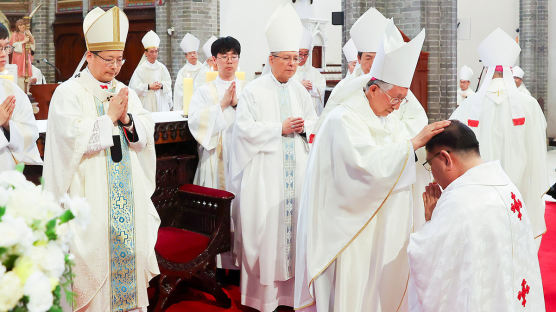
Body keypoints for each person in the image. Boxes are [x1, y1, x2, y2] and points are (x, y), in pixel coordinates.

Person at [294, 20, 443, 312]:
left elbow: (397, 151)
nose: (398, 106)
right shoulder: (344, 120)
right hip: (354, 227)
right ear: (374, 88)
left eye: (403, 98)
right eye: (396, 98)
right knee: (359, 290)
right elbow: (364, 167)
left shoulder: (387, 115)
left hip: (388, 222)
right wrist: (411, 145)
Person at [43, 7, 160, 311]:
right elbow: (68, 140)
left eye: (119, 59)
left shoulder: (125, 91)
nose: (116, 67)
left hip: (127, 199)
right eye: (109, 59)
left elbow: (145, 130)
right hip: (88, 196)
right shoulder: (69, 93)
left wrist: (129, 121)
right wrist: (107, 119)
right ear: (89, 55)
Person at [228, 3, 317, 311]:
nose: (293, 65)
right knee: (268, 236)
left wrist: (307, 129)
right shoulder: (253, 91)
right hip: (266, 176)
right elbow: (243, 131)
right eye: (287, 59)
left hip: (298, 174)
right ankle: (263, 300)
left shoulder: (301, 92)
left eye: (296, 58)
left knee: (295, 234)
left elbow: (313, 122)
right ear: (271, 59)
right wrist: (278, 128)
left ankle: (292, 296)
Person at [407, 120, 545, 311]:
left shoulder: (459, 200)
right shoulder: (508, 187)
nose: (433, 176)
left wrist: (431, 220)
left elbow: (431, 265)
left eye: (430, 165)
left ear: (446, 158)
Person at [451, 28, 548, 248]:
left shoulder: (469, 106)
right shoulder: (529, 106)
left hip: (479, 193)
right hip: (519, 188)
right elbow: (537, 146)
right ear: (509, 71)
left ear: (485, 70)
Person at [0, 23, 41, 171]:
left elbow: (30, 134)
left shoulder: (13, 91)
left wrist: (7, 126)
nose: (4, 54)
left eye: (6, 47)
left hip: (8, 175)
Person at [129, 30, 173, 112]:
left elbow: (168, 83)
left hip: (160, 101)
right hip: (146, 103)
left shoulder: (162, 67)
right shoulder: (141, 69)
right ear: (145, 53)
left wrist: (161, 85)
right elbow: (134, 87)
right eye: (152, 52)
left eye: (156, 51)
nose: (154, 54)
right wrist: (149, 86)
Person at [292, 28, 326, 115]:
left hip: (311, 113)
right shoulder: (289, 70)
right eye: (300, 54)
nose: (303, 57)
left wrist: (312, 87)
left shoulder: (314, 72)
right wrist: (300, 85)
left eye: (305, 54)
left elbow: (321, 88)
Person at [174, 33, 201, 111]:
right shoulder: (182, 72)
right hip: (187, 105)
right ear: (186, 56)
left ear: (197, 54)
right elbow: (178, 91)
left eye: (194, 52)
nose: (193, 55)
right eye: (190, 53)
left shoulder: (203, 69)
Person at [9, 19, 34, 91]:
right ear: (17, 26)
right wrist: (23, 41)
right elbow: (12, 45)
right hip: (18, 56)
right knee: (20, 73)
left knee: (27, 72)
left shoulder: (27, 33)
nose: (21, 26)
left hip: (26, 55)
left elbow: (32, 43)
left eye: (22, 25)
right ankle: (20, 89)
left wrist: (30, 35)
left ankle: (27, 90)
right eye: (19, 25)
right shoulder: (15, 34)